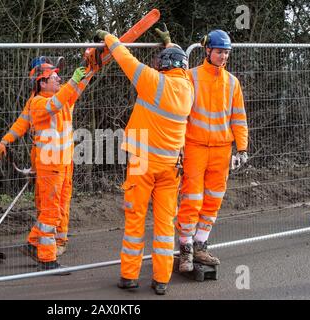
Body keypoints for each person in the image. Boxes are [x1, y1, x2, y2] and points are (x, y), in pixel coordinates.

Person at [95, 27, 194, 295]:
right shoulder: (188, 88)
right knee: (164, 225)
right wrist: (171, 44)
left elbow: (125, 58)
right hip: (171, 166)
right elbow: (180, 67)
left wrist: (108, 37)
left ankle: (129, 276)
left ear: (162, 65)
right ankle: (161, 280)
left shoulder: (153, 82)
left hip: (142, 163)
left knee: (135, 219)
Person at [0, 57, 91, 257]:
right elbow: (24, 122)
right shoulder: (39, 102)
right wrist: (6, 140)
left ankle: (54, 240)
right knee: (49, 205)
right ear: (42, 82)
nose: (59, 79)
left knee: (59, 204)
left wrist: (92, 62)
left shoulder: (63, 96)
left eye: (58, 77)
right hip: (49, 162)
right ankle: (43, 242)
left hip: (64, 162)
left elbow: (81, 81)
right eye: (53, 77)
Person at [176, 30, 248, 272]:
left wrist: (243, 147)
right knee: (191, 199)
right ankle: (185, 249)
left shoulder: (232, 82)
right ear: (207, 50)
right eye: (219, 51)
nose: (223, 56)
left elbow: (239, 118)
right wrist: (178, 147)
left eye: (226, 52)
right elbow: (180, 114)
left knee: (213, 200)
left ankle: (200, 246)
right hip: (195, 147)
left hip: (222, 151)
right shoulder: (190, 77)